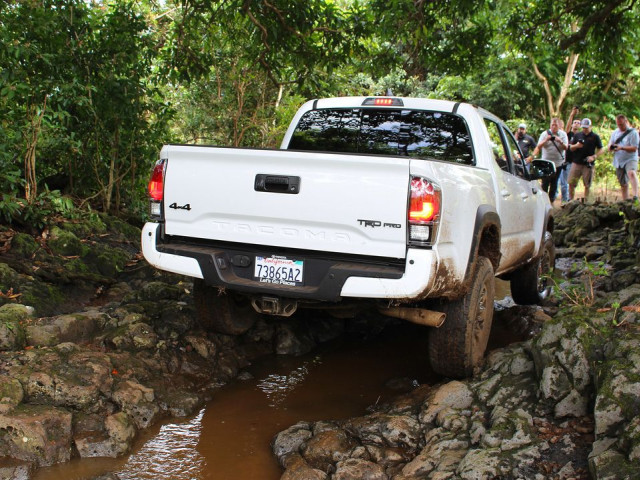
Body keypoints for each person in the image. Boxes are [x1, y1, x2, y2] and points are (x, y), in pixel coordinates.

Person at [530, 117, 568, 203]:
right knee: (545, 182)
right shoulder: (544, 134)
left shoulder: (563, 134)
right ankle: (543, 200)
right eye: (552, 125)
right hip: (546, 163)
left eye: (556, 125)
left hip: (558, 163)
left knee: (554, 183)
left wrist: (560, 141)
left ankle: (551, 200)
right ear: (550, 125)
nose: (554, 127)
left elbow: (566, 147)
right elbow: (538, 146)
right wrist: (546, 139)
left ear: (559, 125)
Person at [567, 118, 605, 201]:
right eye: (583, 127)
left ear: (590, 126)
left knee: (587, 185)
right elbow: (570, 148)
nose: (585, 129)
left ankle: (586, 201)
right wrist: (577, 145)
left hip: (588, 164)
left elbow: (601, 149)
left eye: (586, 128)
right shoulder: (577, 135)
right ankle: (570, 200)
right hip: (576, 162)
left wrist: (594, 156)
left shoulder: (595, 137)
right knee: (571, 183)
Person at [608, 114, 639, 200]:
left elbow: (634, 148)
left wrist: (621, 148)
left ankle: (635, 195)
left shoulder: (633, 133)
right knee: (623, 183)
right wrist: (611, 147)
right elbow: (610, 144)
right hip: (619, 160)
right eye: (618, 124)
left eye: (621, 124)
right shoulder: (615, 132)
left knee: (631, 173)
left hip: (630, 158)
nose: (620, 126)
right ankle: (625, 201)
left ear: (626, 122)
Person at [560, 109, 582, 201]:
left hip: (574, 162)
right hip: (566, 161)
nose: (576, 124)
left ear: (580, 126)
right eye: (575, 122)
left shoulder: (581, 136)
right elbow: (567, 128)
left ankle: (569, 200)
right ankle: (564, 200)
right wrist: (572, 115)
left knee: (570, 183)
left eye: (578, 123)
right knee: (563, 184)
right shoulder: (568, 134)